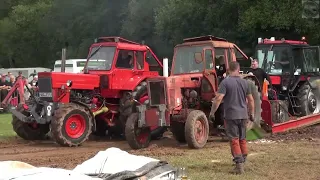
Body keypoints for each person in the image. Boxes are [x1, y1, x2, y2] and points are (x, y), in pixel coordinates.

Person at [209, 61, 255, 174]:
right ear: (238, 69)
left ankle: (239, 166)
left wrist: (212, 112)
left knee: (234, 140)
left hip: (231, 116)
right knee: (242, 139)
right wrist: (252, 113)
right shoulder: (245, 83)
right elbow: (251, 100)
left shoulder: (226, 82)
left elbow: (219, 98)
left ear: (229, 69)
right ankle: (243, 160)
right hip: (243, 115)